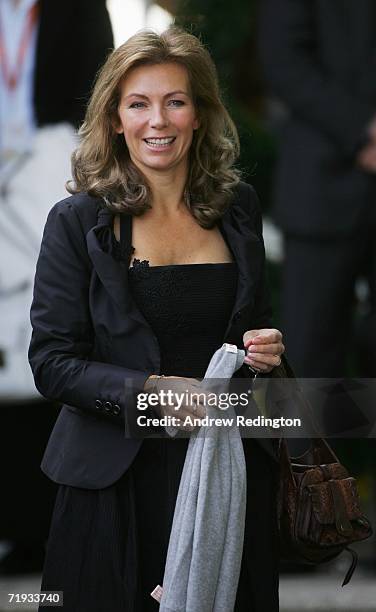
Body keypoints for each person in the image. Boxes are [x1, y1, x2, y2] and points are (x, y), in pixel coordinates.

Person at [29, 27, 285, 612]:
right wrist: (149, 391)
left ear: (199, 114)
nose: (158, 121)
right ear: (115, 119)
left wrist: (264, 349)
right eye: (138, 104)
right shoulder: (76, 220)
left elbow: (257, 325)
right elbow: (51, 363)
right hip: (114, 486)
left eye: (175, 101)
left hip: (224, 472)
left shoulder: (237, 207)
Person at [0, 0, 113, 574]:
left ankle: (42, 527)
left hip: (49, 171)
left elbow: (99, 92)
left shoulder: (77, 6)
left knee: (48, 345)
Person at [258, 0, 376, 379]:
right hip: (321, 186)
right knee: (308, 368)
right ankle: (310, 443)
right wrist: (363, 130)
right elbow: (282, 58)